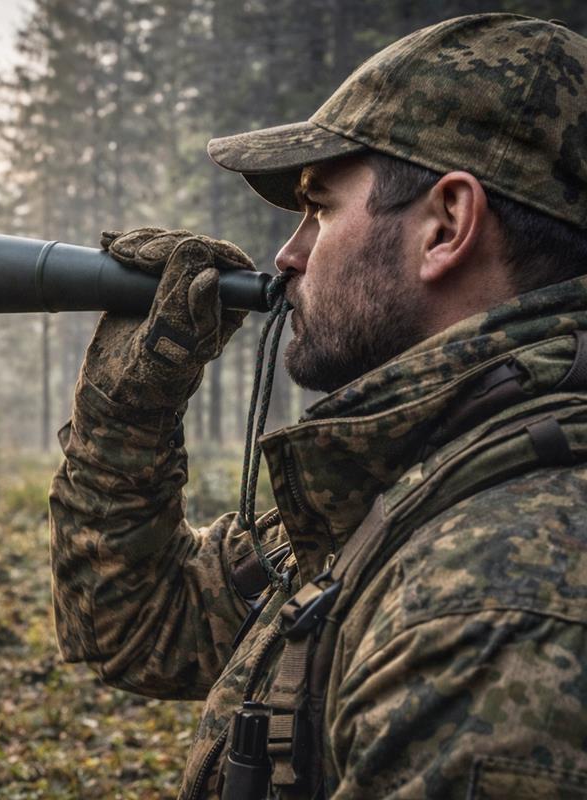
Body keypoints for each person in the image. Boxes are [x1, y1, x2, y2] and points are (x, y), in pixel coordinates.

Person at [49, 13, 587, 799]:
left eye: (321, 209)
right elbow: (137, 627)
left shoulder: (490, 605)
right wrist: (132, 404)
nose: (288, 256)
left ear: (447, 225)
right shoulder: (427, 474)